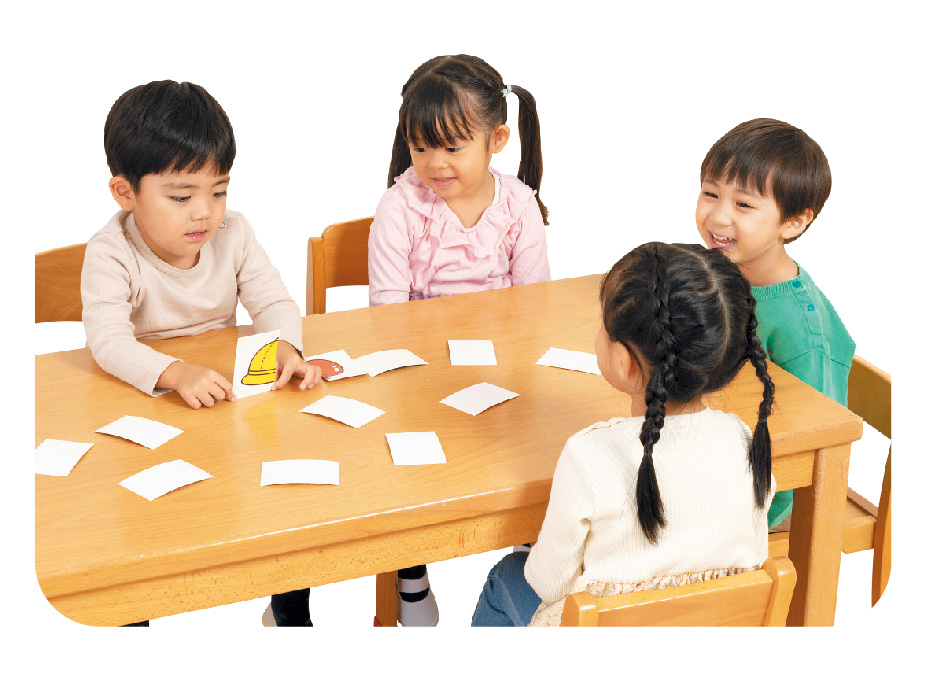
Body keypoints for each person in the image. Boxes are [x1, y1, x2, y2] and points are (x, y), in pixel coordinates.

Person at [81, 80, 321, 626]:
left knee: (286, 493)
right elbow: (108, 341)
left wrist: (286, 344)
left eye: (219, 191)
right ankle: (133, 617)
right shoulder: (111, 252)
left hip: (222, 403)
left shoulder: (234, 234)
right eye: (181, 196)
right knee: (138, 525)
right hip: (150, 404)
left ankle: (290, 611)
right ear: (124, 193)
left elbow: (274, 302)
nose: (205, 214)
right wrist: (173, 371)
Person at [472, 242, 776, 626]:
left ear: (623, 361)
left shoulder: (588, 454)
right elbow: (752, 552)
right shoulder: (745, 439)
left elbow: (549, 585)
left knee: (508, 574)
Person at [366, 54, 551, 626]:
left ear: (497, 139)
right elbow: (388, 313)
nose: (434, 163)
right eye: (421, 147)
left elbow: (534, 301)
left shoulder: (517, 203)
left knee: (540, 433)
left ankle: (530, 552)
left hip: (503, 363)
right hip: (419, 367)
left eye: (452, 147)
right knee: (413, 460)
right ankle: (412, 575)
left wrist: (505, 360)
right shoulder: (401, 207)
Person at [695, 118, 855, 529]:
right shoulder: (723, 275)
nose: (718, 217)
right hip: (718, 454)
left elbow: (816, 443)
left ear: (794, 222)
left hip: (775, 500)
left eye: (743, 205)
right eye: (710, 194)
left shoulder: (801, 330)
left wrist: (752, 520)